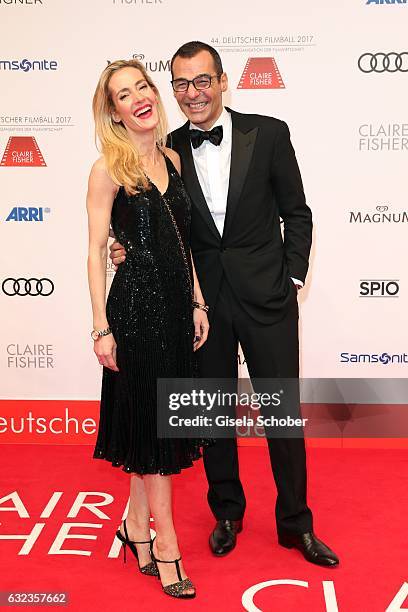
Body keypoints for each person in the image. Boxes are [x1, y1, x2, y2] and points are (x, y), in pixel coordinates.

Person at [110, 42, 339, 567]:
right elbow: (152, 228)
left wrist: (293, 276)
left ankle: (295, 525)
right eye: (182, 84)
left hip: (267, 297)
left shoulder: (270, 132)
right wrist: (123, 248)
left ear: (222, 80)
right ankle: (227, 514)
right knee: (212, 417)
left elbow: (296, 212)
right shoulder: (162, 150)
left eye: (202, 81)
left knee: (282, 418)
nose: (193, 94)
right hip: (200, 307)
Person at [87, 58, 210, 599]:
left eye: (142, 86)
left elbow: (184, 244)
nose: (138, 97)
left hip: (177, 311)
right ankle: (166, 545)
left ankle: (135, 529)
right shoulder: (107, 168)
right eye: (123, 94)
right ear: (112, 111)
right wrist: (100, 327)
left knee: (151, 430)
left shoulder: (174, 160)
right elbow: (95, 252)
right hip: (134, 315)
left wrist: (199, 303)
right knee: (157, 437)